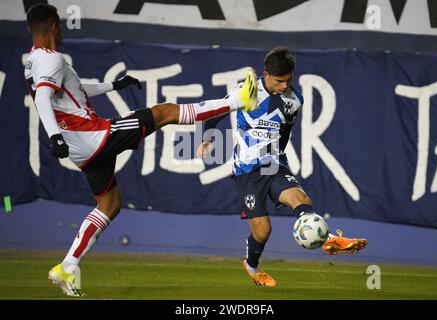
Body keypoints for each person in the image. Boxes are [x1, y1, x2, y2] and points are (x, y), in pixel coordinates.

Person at [24, 4, 258, 297]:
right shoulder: (52, 58)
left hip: (81, 150)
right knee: (163, 113)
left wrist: (113, 85)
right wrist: (53, 136)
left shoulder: (34, 61)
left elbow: (72, 89)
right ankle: (239, 101)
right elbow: (44, 97)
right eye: (60, 23)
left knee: (109, 205)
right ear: (55, 26)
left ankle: (68, 266)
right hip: (93, 137)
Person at [197, 46, 368, 287]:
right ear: (265, 75)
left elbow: (285, 132)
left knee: (301, 199)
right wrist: (207, 139)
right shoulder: (247, 91)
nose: (284, 86)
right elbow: (215, 113)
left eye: (288, 80)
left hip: (274, 163)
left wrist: (277, 156)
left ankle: (328, 239)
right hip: (247, 171)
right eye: (279, 81)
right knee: (263, 231)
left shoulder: (295, 100)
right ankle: (252, 266)